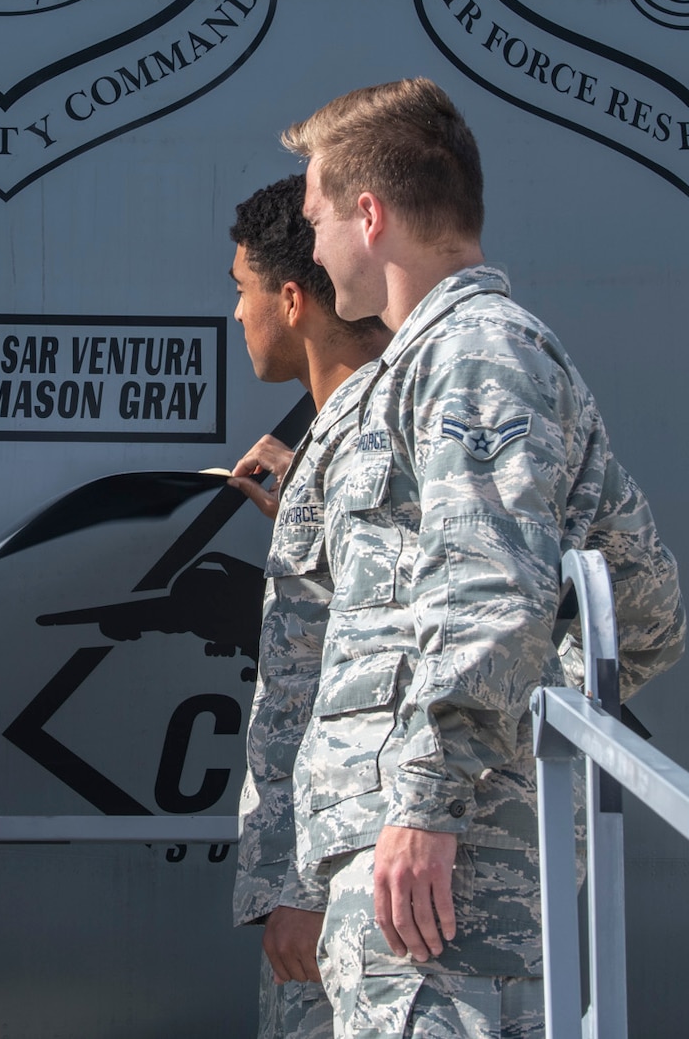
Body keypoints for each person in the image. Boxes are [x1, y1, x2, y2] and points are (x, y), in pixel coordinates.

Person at [282, 81, 686, 1039]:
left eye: (318, 218)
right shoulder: (430, 366)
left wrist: (429, 797)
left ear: (369, 215)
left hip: (446, 872)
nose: (314, 245)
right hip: (429, 863)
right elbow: (646, 606)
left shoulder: (474, 354)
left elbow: (493, 590)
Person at [224, 177, 392, 1039]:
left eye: (241, 289)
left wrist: (307, 884)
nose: (238, 315)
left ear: (291, 300)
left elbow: (373, 690)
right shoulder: (343, 445)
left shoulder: (376, 446)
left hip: (351, 893)